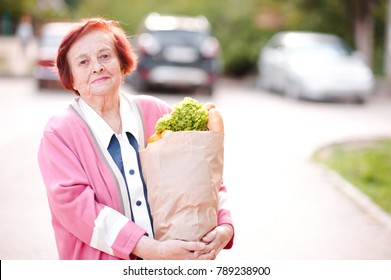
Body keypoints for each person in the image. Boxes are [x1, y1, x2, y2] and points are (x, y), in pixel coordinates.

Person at [37, 18, 234, 260]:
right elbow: (77, 209)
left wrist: (224, 225)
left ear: (122, 64)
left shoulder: (157, 112)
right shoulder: (60, 134)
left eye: (105, 56)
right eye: (83, 62)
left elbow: (203, 171)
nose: (97, 67)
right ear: (72, 79)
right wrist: (150, 250)